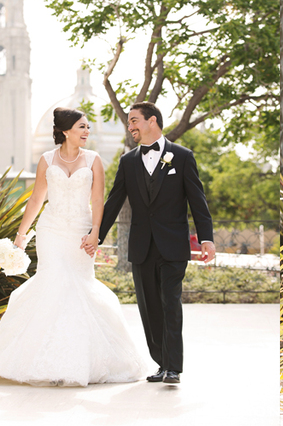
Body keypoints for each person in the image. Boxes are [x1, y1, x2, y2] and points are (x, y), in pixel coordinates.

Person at [0, 107, 148, 386]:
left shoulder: (94, 160)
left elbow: (98, 201)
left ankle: (78, 360)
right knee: (52, 284)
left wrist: (95, 234)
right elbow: (36, 199)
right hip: (50, 230)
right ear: (66, 131)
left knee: (78, 287)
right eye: (82, 127)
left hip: (80, 233)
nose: (87, 132)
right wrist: (20, 235)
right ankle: (40, 360)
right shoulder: (46, 159)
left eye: (88, 127)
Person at [83, 102, 215, 386]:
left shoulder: (182, 156)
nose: (130, 127)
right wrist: (97, 235)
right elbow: (114, 200)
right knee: (149, 306)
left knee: (170, 302)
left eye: (134, 121)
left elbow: (197, 201)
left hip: (173, 245)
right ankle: (160, 362)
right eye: (129, 123)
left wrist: (206, 238)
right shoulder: (128, 161)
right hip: (142, 246)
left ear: (151, 120)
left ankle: (173, 368)